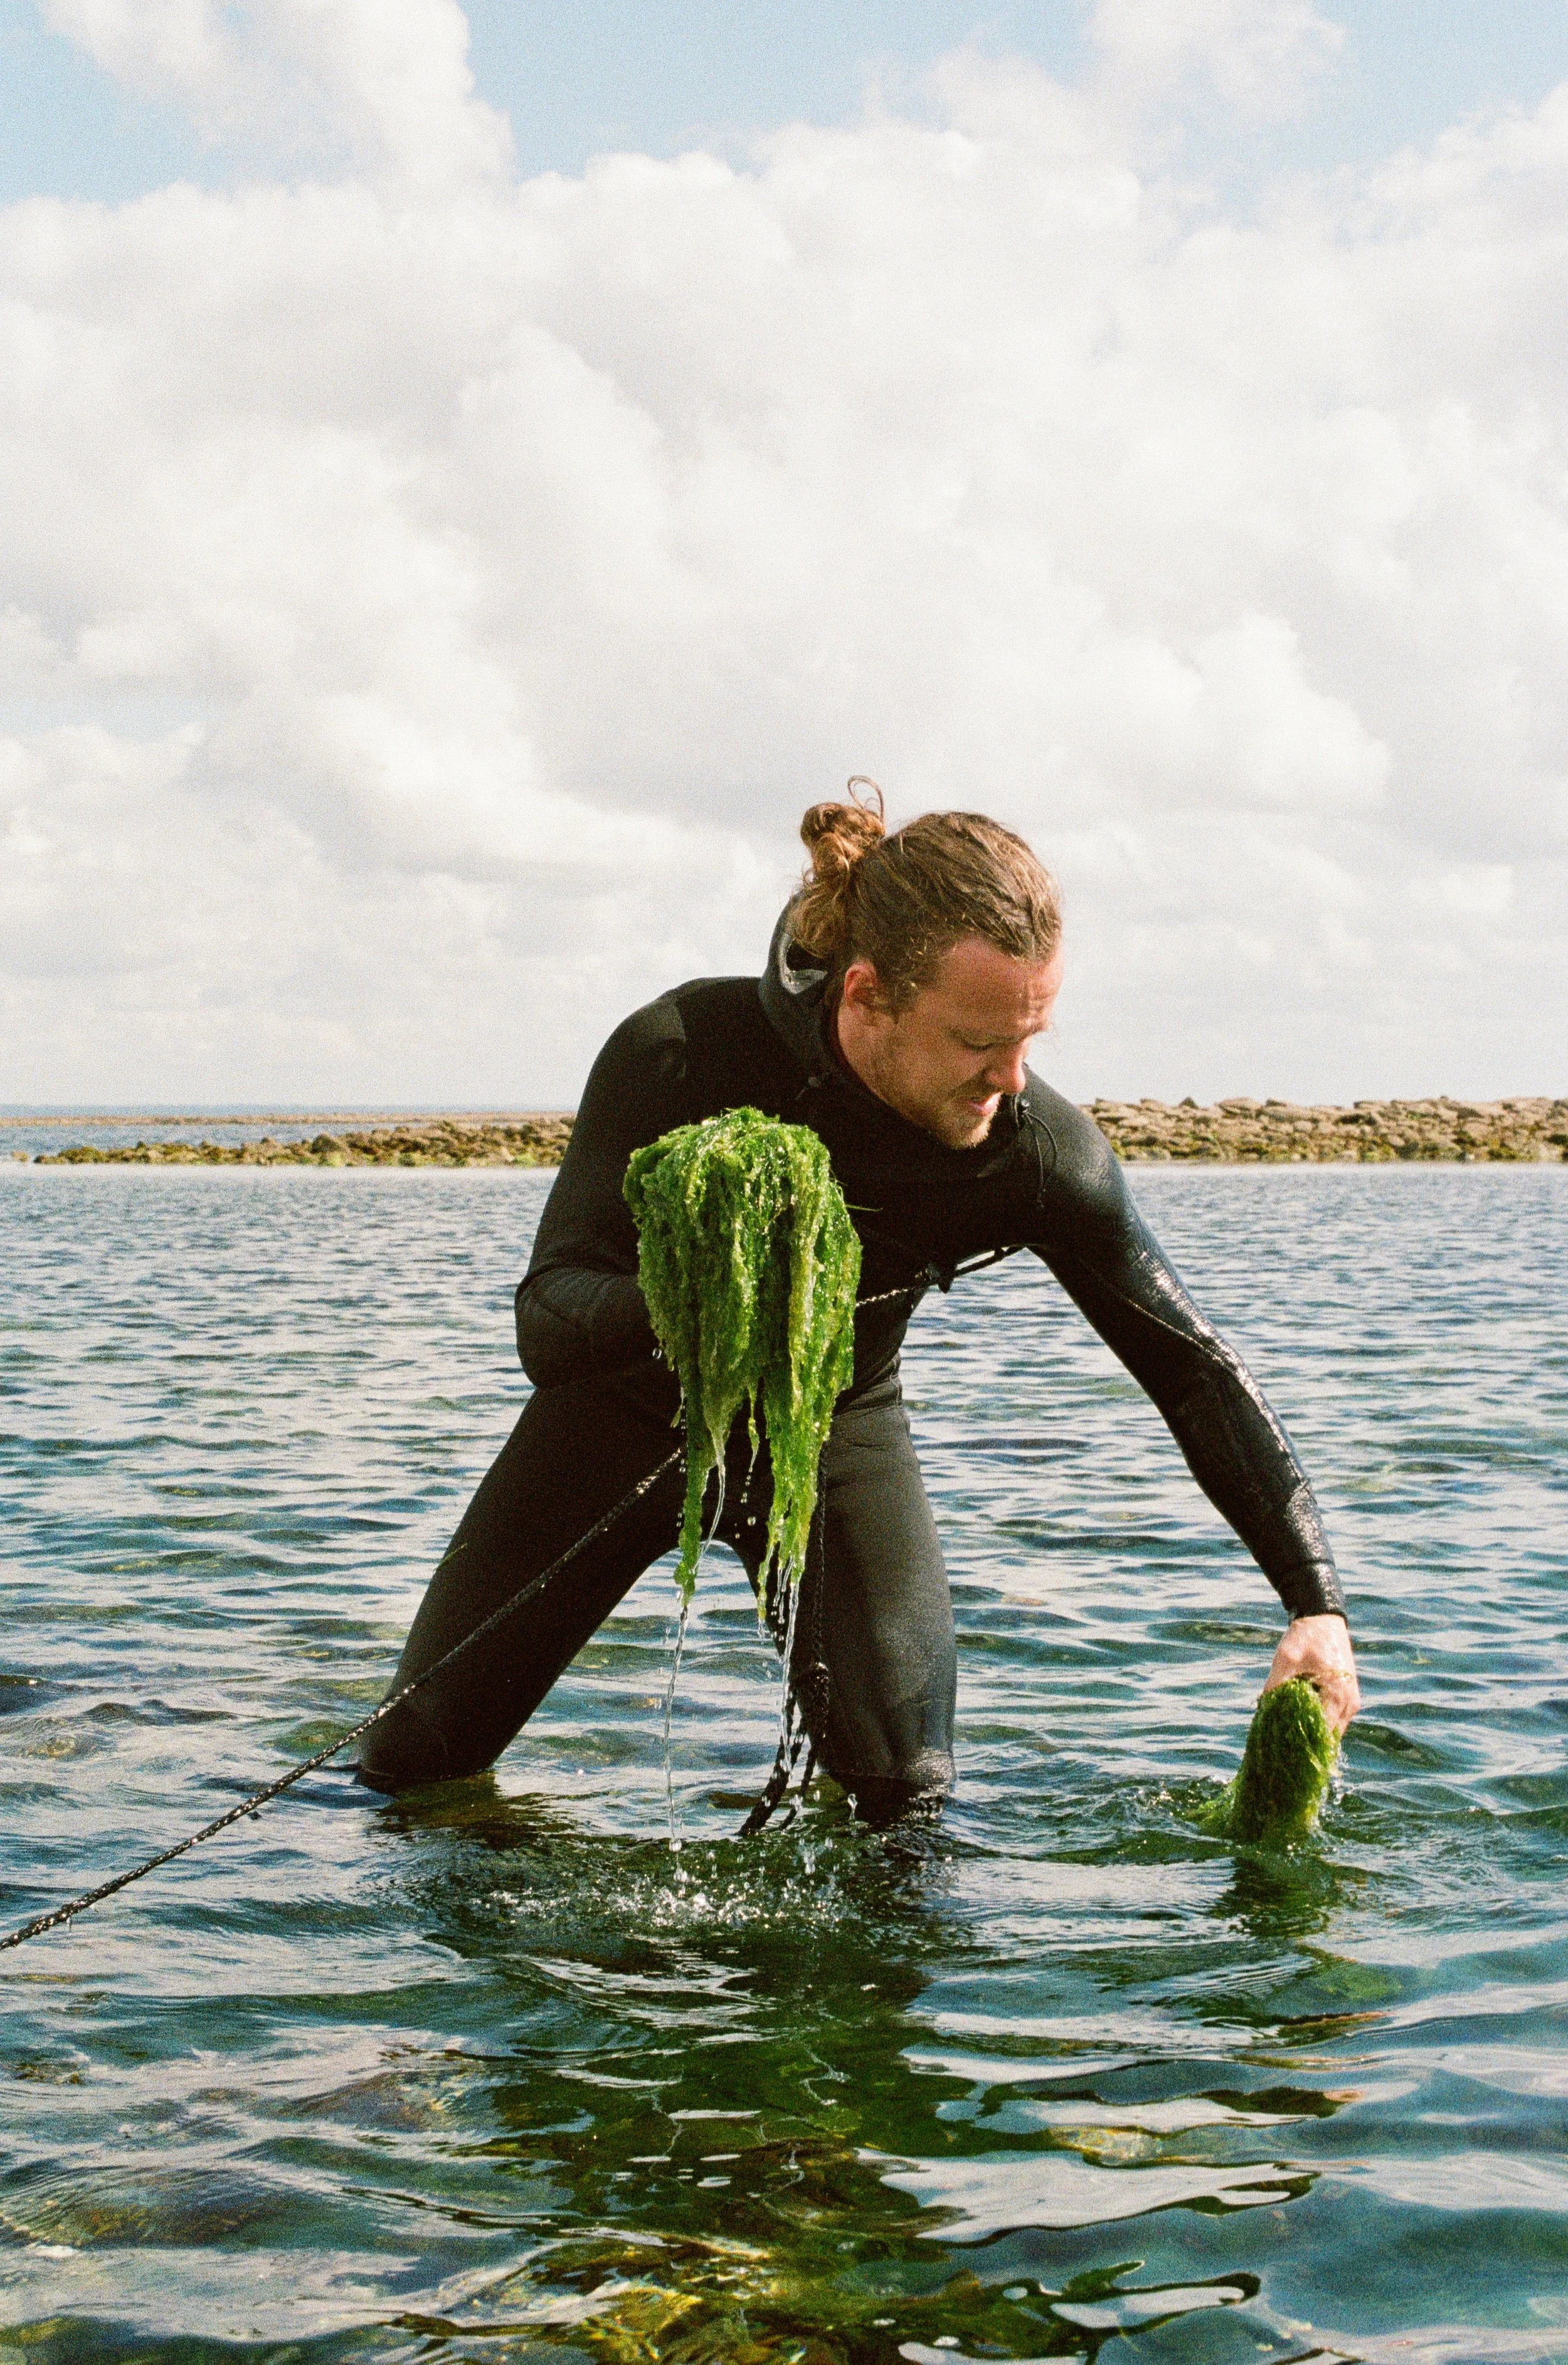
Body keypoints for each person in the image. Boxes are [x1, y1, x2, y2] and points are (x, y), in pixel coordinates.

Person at [359, 785, 1359, 1826]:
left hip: (838, 1431)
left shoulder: (1035, 1154)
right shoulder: (684, 1051)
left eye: (1032, 1037)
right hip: (612, 1423)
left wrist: (1315, 1602)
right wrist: (693, 1307)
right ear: (869, 995)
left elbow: (1192, 1368)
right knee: (409, 1777)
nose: (1013, 1082)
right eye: (979, 1042)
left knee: (909, 1810)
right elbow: (547, 1317)